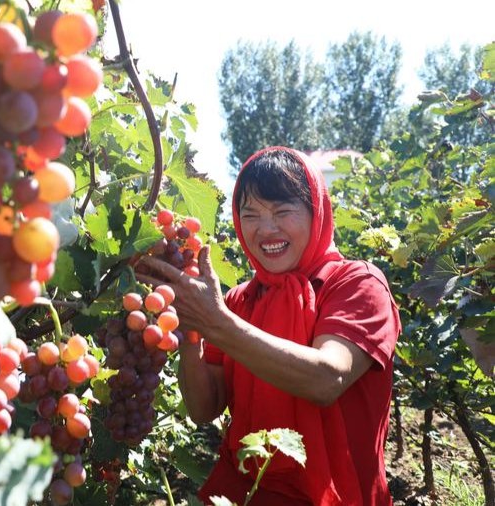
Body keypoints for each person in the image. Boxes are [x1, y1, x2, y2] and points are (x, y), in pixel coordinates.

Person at [136, 146, 401, 505]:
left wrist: (217, 324)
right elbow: (203, 409)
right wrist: (192, 330)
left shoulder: (358, 284)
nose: (266, 229)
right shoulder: (239, 300)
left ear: (317, 211)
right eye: (251, 214)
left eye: (282, 211)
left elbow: (328, 378)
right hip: (243, 494)